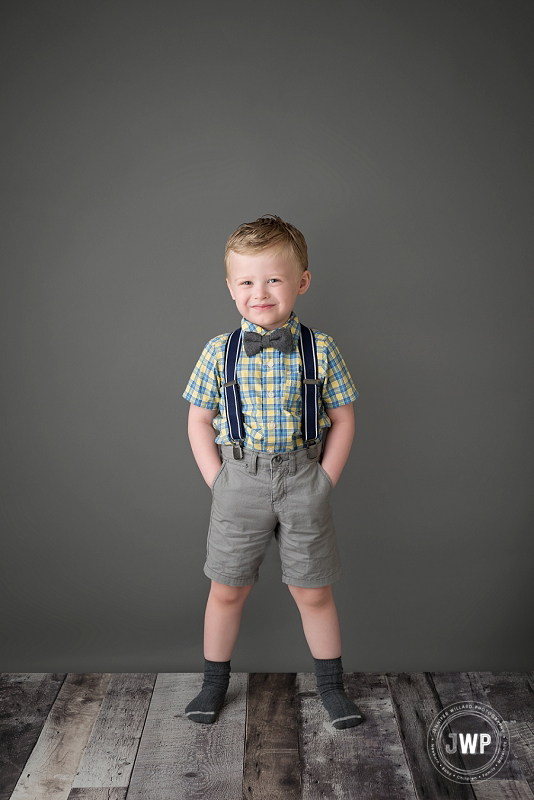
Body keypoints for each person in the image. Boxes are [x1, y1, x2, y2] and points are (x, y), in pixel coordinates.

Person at [182, 214, 363, 730]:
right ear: (230, 287)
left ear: (301, 282)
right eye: (246, 281)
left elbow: (343, 417)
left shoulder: (319, 348)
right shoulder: (220, 351)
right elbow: (198, 419)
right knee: (226, 588)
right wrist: (218, 480)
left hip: (305, 477)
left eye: (274, 279)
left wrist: (324, 478)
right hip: (239, 480)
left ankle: (331, 688)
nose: (259, 292)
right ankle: (212, 684)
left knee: (313, 591)